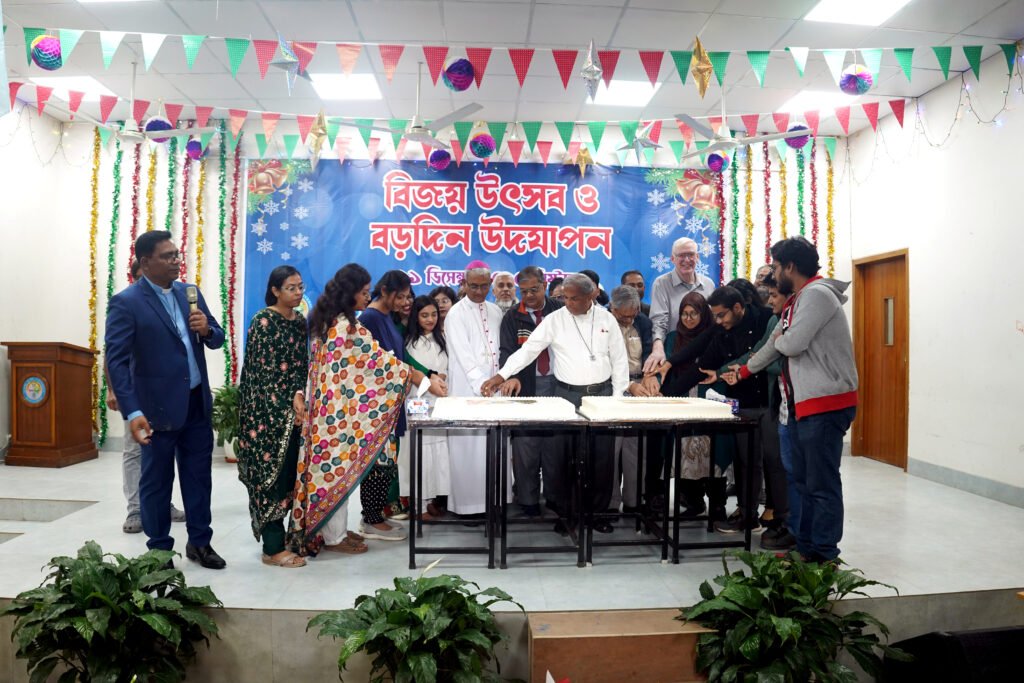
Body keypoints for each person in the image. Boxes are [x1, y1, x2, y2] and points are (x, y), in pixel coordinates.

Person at [481, 274, 651, 534]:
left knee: (601, 459)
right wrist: (501, 376)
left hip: (602, 396)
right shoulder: (555, 319)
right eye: (566, 298)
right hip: (566, 397)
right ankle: (566, 514)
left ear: (591, 296)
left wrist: (616, 401)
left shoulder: (607, 319)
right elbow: (528, 351)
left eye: (574, 298)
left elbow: (619, 362)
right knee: (564, 458)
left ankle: (597, 514)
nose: (568, 303)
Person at [731, 237, 857, 563]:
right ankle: (804, 547)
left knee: (820, 483)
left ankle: (824, 554)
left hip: (824, 404)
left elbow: (792, 344)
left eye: (775, 267)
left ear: (790, 267)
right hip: (797, 405)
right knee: (799, 482)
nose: (772, 275)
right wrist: (744, 371)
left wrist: (781, 339)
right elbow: (774, 344)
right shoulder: (797, 300)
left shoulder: (816, 295)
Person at [105, 230, 226, 569]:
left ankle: (200, 542)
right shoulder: (127, 302)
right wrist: (133, 411)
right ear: (146, 263)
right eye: (168, 256)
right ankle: (159, 551)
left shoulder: (190, 293)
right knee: (157, 483)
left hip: (195, 404)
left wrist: (206, 330)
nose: (176, 261)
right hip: (155, 410)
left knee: (198, 478)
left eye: (176, 254)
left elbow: (217, 337)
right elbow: (116, 361)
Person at [287, 264, 412, 556]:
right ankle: (334, 538)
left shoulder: (329, 320)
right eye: (364, 292)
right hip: (336, 415)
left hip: (327, 411)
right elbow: (377, 362)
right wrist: (411, 375)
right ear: (350, 292)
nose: (368, 297)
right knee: (334, 472)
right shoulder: (345, 327)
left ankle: (334, 532)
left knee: (331, 472)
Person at [655, 285, 779, 535]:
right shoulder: (722, 329)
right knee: (746, 462)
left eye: (722, 315)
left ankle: (778, 516)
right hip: (742, 404)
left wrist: (723, 371)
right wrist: (665, 392)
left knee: (774, 462)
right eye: (715, 316)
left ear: (738, 307)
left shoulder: (766, 318)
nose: (719, 321)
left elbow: (760, 355)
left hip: (770, 401)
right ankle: (747, 514)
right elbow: (700, 362)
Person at [360, 271, 446, 539]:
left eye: (408, 297)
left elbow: (400, 360)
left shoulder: (387, 317)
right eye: (400, 297)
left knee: (387, 461)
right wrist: (423, 378)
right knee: (378, 463)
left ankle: (376, 516)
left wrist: (427, 376)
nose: (404, 302)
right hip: (376, 404)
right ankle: (371, 518)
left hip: (392, 402)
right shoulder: (370, 319)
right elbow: (382, 363)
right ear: (385, 291)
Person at [237, 266, 313, 567]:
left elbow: (301, 366)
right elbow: (262, 373)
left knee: (292, 478)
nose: (298, 292)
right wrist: (287, 405)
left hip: (295, 412)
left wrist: (299, 396)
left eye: (300, 286)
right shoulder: (263, 322)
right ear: (275, 291)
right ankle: (272, 549)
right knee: (272, 479)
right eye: (291, 288)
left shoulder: (300, 322)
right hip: (265, 416)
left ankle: (290, 539)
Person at [106, 258, 186, 534]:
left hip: (162, 393)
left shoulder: (168, 303)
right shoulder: (126, 305)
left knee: (162, 451)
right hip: (133, 393)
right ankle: (135, 509)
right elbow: (112, 356)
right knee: (134, 451)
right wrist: (113, 390)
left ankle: (163, 504)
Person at [722, 273, 792, 550]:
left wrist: (752, 365)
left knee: (776, 463)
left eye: (774, 295)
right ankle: (753, 513)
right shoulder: (776, 320)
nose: (770, 300)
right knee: (748, 461)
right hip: (761, 401)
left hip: (775, 403)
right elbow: (763, 354)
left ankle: (783, 520)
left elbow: (779, 362)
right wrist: (737, 368)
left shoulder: (781, 318)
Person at [498, 266, 565, 518]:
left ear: (545, 285)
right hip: (526, 386)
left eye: (534, 290)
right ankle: (527, 501)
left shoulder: (560, 310)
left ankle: (555, 497)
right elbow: (507, 351)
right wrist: (511, 376)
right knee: (526, 446)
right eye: (524, 291)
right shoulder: (512, 316)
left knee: (555, 446)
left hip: (558, 385)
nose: (528, 296)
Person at [444, 261, 504, 516]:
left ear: (490, 285)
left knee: (494, 446)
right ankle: (468, 507)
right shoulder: (456, 314)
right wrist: (483, 384)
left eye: (483, 286)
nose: (479, 292)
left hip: (494, 390)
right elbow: (464, 355)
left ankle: (494, 502)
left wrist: (497, 381)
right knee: (469, 448)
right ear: (464, 284)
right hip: (468, 391)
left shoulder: (496, 311)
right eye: (473, 286)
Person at [657, 291, 720, 521]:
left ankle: (717, 504)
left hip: (708, 399)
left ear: (704, 314)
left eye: (694, 313)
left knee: (712, 451)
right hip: (680, 398)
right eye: (684, 314)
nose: (688, 318)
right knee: (684, 451)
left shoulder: (715, 335)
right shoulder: (673, 337)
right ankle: (692, 501)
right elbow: (667, 368)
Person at [607, 285, 653, 514]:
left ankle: (634, 502)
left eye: (632, 315)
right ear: (612, 309)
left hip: (639, 388)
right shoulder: (603, 323)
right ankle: (610, 503)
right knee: (611, 449)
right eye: (623, 316)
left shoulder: (643, 322)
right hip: (611, 390)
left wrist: (649, 377)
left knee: (635, 450)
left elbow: (649, 352)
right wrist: (627, 384)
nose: (629, 320)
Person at [404, 296, 451, 519]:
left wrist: (442, 377)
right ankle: (418, 506)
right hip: (418, 402)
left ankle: (430, 500)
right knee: (420, 452)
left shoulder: (442, 339)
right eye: (424, 315)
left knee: (437, 453)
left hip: (440, 402)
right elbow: (412, 374)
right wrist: (430, 383)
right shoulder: (409, 343)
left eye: (434, 314)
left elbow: (445, 368)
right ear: (416, 316)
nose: (430, 319)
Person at [643, 237, 716, 375]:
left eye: (691, 255)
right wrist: (658, 347)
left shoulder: (709, 284)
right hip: (674, 353)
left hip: (704, 354)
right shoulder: (661, 284)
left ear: (697, 257)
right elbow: (659, 320)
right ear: (672, 259)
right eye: (681, 255)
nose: (686, 260)